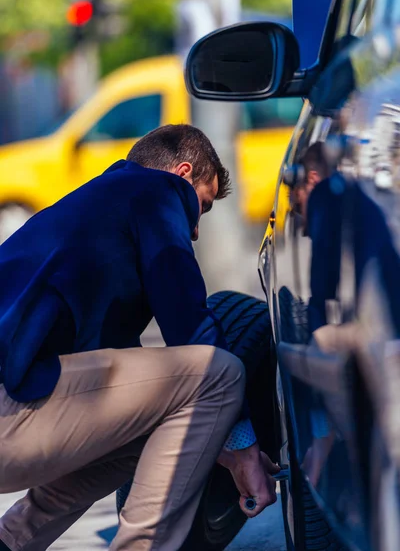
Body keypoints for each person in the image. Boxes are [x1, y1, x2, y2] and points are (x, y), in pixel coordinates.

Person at [0, 124, 277, 551]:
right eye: (200, 207)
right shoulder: (155, 191)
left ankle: (10, 541)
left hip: (16, 413)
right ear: (182, 174)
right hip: (10, 416)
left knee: (149, 426)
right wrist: (243, 447)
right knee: (219, 373)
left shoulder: (91, 206)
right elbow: (192, 331)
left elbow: (126, 388)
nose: (196, 231)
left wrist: (213, 440)